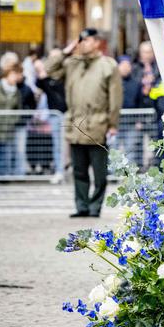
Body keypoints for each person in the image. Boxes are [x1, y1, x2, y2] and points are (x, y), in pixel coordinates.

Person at [47, 28, 122, 218]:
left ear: (97, 42)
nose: (83, 43)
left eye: (87, 40)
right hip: (75, 125)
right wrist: (66, 50)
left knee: (99, 174)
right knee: (78, 171)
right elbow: (49, 69)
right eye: (81, 40)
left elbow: (115, 98)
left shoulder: (108, 65)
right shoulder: (72, 63)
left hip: (98, 124)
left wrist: (112, 124)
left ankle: (95, 207)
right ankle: (82, 206)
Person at [34, 54, 67, 183]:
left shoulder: (64, 75)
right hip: (55, 116)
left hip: (69, 115)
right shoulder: (45, 79)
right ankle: (60, 171)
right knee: (58, 145)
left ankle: (69, 170)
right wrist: (41, 73)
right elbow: (40, 86)